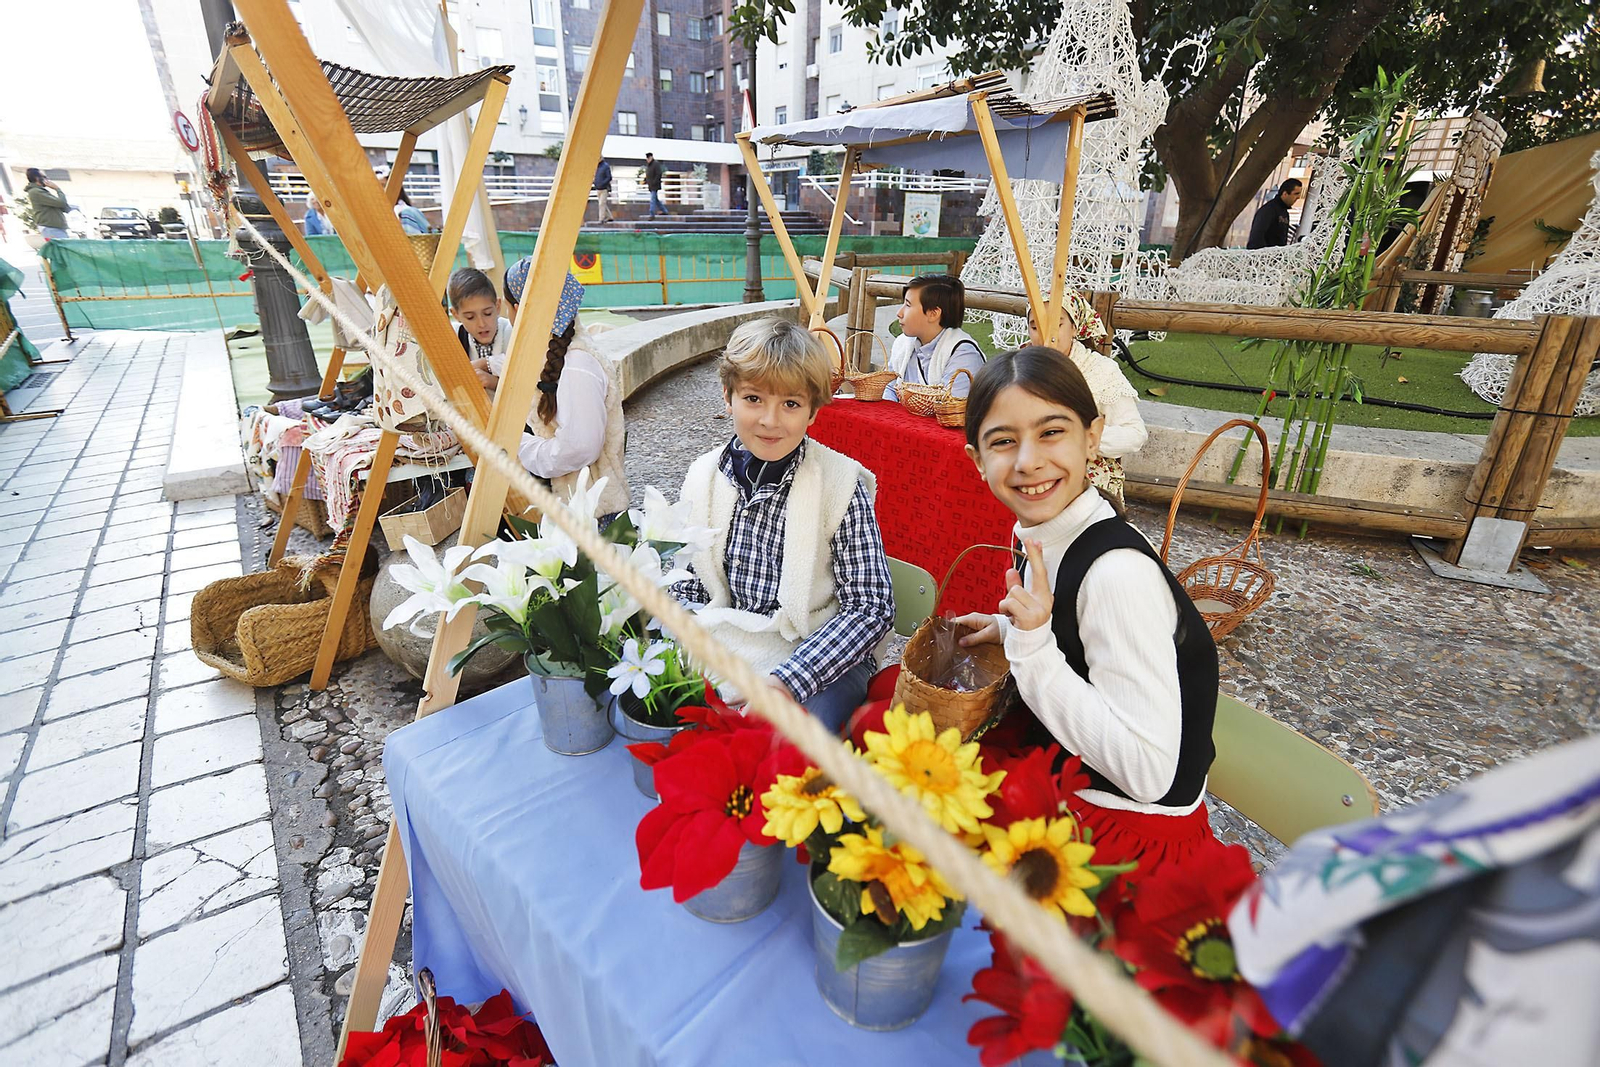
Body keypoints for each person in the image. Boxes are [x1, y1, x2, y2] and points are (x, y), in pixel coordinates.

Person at [954, 347, 1219, 875]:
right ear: (977, 461)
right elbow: (1072, 638)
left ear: (1092, 438)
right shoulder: (1038, 529)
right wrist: (1009, 630)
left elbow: (1147, 773)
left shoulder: (1117, 576)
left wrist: (1031, 648)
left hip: (1128, 836)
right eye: (1004, 441)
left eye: (1051, 432)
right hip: (1078, 764)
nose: (1028, 461)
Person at [670, 318, 895, 729]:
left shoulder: (840, 486)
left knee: (786, 750)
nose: (770, 421)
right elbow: (688, 579)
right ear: (728, 396)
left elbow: (871, 606)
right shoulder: (703, 477)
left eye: (790, 404)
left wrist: (786, 682)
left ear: (812, 412)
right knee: (662, 708)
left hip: (820, 653)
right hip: (732, 638)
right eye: (753, 399)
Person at [499, 256, 631, 521]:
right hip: (579, 506)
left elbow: (579, 448)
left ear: (517, 309)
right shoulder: (558, 353)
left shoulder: (577, 364)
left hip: (594, 515)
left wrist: (516, 444)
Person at [1026, 303, 1147, 506]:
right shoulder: (1017, 368)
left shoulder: (1101, 371)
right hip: (1031, 480)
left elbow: (1135, 434)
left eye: (1056, 324)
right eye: (1035, 326)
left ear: (1074, 328)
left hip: (1088, 490)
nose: (1046, 334)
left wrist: (1080, 439)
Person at [883, 274, 987, 401]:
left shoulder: (963, 354)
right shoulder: (903, 344)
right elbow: (888, 389)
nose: (899, 313)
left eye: (908, 305)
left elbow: (951, 410)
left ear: (933, 314)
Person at [448, 268, 513, 396]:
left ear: (498, 306)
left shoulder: (511, 333)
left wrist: (494, 382)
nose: (482, 324)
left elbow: (523, 376)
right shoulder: (453, 337)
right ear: (456, 314)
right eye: (470, 317)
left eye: (487, 313)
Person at [1246, 178, 1302, 249]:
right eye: (1296, 194)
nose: (1298, 197)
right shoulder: (1269, 210)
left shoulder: (1285, 213)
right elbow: (1256, 238)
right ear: (1285, 194)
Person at [24, 169, 71, 241]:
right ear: (37, 178)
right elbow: (61, 203)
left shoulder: (40, 191)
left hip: (53, 227)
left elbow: (62, 206)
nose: (47, 179)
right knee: (62, 250)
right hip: (51, 227)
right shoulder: (36, 192)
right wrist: (57, 189)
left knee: (62, 250)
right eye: (44, 177)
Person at [592, 159, 614, 224]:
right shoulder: (597, 166)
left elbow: (609, 177)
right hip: (598, 188)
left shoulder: (605, 166)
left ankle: (601, 219)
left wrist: (603, 183)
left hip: (604, 188)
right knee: (602, 204)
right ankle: (610, 217)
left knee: (601, 203)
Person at [644, 152, 665, 218]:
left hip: (654, 185)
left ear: (651, 157)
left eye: (648, 158)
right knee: (655, 200)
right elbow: (648, 174)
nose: (647, 160)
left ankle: (652, 214)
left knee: (653, 200)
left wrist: (654, 182)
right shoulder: (649, 165)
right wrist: (646, 180)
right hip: (651, 185)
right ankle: (664, 211)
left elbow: (658, 174)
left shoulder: (655, 164)